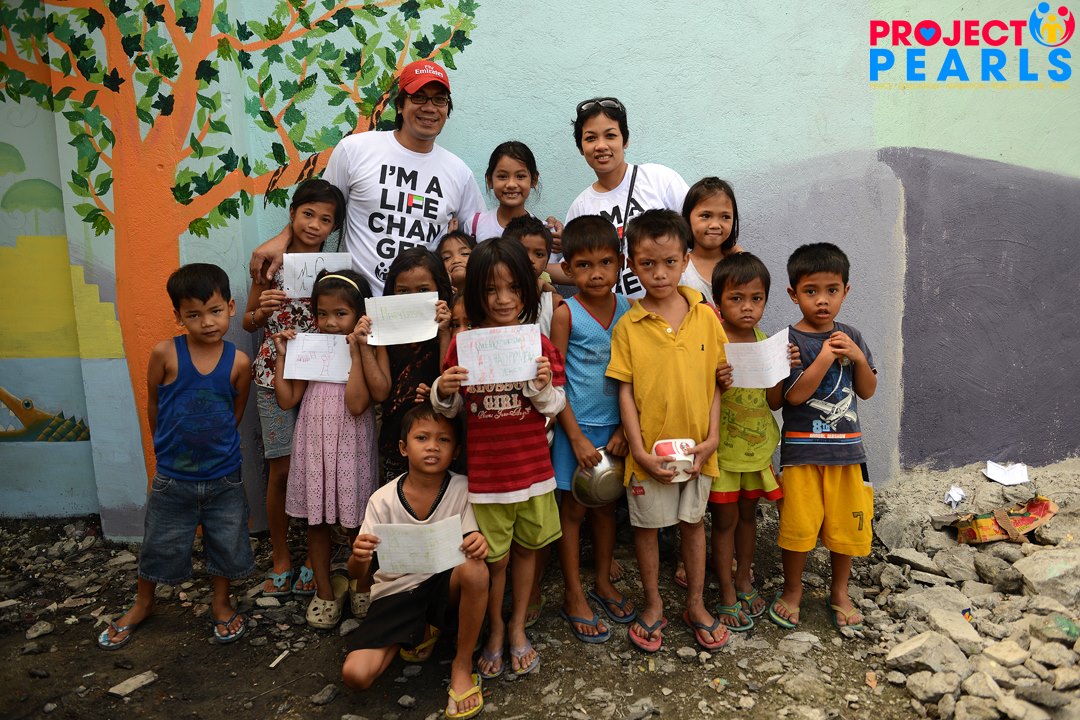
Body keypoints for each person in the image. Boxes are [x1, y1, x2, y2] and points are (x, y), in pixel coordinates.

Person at [98, 263, 253, 649]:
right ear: (178, 316)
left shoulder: (238, 362)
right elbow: (154, 405)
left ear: (231, 307)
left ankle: (221, 602)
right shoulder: (165, 353)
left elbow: (234, 414)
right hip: (173, 476)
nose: (207, 322)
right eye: (194, 314)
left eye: (215, 311)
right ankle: (143, 603)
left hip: (224, 476)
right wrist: (165, 450)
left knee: (225, 541)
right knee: (159, 542)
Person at [432, 237, 565, 677]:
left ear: (528, 289)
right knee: (494, 558)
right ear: (475, 294)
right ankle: (493, 628)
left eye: (513, 288)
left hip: (533, 473)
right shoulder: (464, 346)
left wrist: (540, 387)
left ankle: (516, 627)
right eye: (491, 290)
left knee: (526, 552)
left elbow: (556, 405)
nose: (503, 299)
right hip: (487, 479)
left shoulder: (538, 344)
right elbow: (451, 410)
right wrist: (443, 389)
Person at [249, 60, 484, 295]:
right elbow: (321, 207)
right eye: (419, 97)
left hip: (423, 307)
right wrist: (284, 237)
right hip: (355, 303)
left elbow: (480, 239)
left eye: (439, 99)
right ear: (400, 105)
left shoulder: (459, 173)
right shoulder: (355, 150)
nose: (430, 108)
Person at [605, 209, 730, 654]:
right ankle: (654, 603)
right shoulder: (628, 326)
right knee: (647, 529)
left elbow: (717, 383)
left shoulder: (706, 316)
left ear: (686, 260)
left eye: (670, 262)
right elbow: (624, 392)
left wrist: (712, 440)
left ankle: (695, 604)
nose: (659, 273)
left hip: (698, 450)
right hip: (649, 455)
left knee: (693, 525)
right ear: (632, 265)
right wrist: (638, 451)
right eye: (647, 264)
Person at [341, 406, 488, 720]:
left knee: (476, 569)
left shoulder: (462, 489)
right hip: (396, 595)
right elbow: (356, 574)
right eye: (422, 438)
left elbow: (472, 542)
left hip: (442, 589)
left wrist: (478, 541)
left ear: (456, 451)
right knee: (356, 675)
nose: (432, 446)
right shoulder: (381, 500)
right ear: (403, 447)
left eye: (443, 440)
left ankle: (462, 666)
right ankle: (419, 631)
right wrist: (359, 557)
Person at [243, 179, 346, 599]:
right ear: (292, 215)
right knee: (282, 469)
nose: (315, 224)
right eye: (308, 214)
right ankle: (282, 556)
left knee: (320, 468)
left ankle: (314, 558)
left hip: (323, 377)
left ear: (334, 227)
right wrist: (261, 310)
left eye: (326, 219)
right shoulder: (270, 264)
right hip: (275, 375)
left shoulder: (336, 268)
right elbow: (248, 319)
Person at [767, 243, 877, 633]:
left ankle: (839, 592)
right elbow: (791, 398)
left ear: (846, 291)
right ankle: (793, 589)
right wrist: (828, 356)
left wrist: (858, 358)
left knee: (846, 527)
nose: (822, 300)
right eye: (811, 291)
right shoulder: (788, 341)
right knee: (798, 528)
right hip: (802, 453)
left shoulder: (852, 336)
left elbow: (867, 391)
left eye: (832, 290)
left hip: (847, 453)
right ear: (793, 294)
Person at [272, 270, 377, 630]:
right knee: (316, 522)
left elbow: (357, 405)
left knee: (357, 523)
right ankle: (325, 591)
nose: (330, 322)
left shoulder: (365, 347)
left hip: (351, 443)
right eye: (322, 313)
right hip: (314, 442)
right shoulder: (310, 346)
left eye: (341, 313)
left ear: (359, 314)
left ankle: (362, 585)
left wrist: (357, 352)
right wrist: (283, 356)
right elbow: (287, 399)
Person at [550, 215, 636, 644]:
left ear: (620, 263)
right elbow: (556, 382)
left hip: (616, 430)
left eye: (605, 263)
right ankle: (573, 593)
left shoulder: (630, 311)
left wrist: (625, 429)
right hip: (576, 430)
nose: (596, 273)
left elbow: (636, 375)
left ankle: (602, 581)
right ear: (567, 269)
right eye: (584, 265)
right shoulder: (566, 315)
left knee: (607, 508)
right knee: (573, 512)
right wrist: (576, 437)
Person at [708, 253, 790, 630]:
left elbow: (773, 402)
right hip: (724, 453)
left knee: (748, 517)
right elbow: (696, 398)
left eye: (756, 299)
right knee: (724, 521)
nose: (747, 307)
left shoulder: (763, 342)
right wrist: (716, 382)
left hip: (755, 451)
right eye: (736, 298)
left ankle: (743, 578)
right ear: (718, 301)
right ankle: (726, 591)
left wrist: (781, 368)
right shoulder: (713, 343)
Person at [562, 97, 689, 297]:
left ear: (625, 140)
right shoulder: (580, 206)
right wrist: (535, 271)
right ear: (580, 147)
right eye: (591, 138)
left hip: (672, 310)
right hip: (617, 314)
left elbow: (700, 232)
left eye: (610, 135)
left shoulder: (659, 179)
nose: (601, 145)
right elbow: (574, 266)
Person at [354, 247, 453, 486]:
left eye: (423, 290)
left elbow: (448, 379)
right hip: (396, 440)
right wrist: (365, 346)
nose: (412, 297)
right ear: (391, 292)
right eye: (403, 291)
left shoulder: (449, 326)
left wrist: (445, 333)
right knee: (397, 501)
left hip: (442, 439)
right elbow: (380, 392)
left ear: (439, 290)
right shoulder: (385, 331)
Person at [466, 140, 563, 243]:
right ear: (490, 181)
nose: (511, 184)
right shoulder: (475, 226)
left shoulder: (548, 233)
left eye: (520, 176)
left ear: (534, 180)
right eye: (502, 176)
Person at [681, 177, 744, 305]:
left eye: (725, 217)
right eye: (706, 216)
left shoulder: (739, 265)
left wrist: (742, 261)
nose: (715, 225)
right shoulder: (680, 268)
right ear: (687, 218)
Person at [503, 215, 562, 336]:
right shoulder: (490, 298)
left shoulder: (554, 303)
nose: (530, 259)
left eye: (539, 254)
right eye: (522, 251)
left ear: (547, 262)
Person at [437, 230, 476, 299]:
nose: (456, 260)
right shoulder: (438, 299)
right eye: (447, 257)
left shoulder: (486, 296)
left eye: (465, 253)